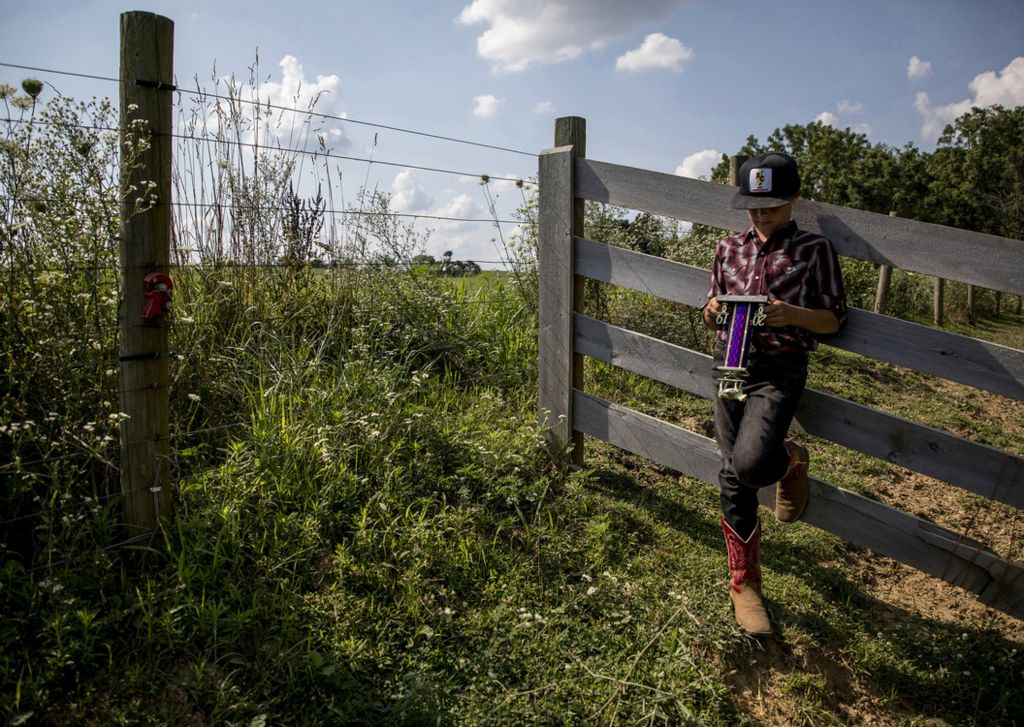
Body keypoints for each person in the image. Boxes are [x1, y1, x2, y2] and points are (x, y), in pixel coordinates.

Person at [702, 152, 847, 635]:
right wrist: (712, 309)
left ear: (794, 200)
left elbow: (833, 319)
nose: (762, 217)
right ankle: (745, 585)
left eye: (773, 207)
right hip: (730, 362)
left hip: (778, 368)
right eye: (754, 208)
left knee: (749, 464)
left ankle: (789, 461)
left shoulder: (814, 250)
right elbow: (711, 304)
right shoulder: (727, 248)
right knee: (731, 470)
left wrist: (793, 315)